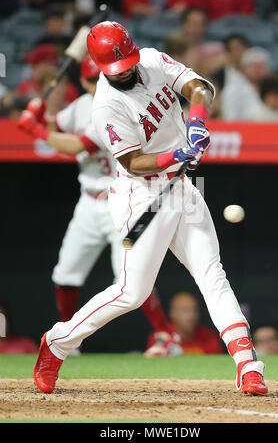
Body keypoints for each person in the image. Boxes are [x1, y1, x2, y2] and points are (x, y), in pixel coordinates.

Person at [18, 20, 268, 396]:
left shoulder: (150, 60)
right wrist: (176, 153)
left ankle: (248, 366)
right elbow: (132, 163)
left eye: (129, 63)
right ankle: (58, 341)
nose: (128, 72)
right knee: (132, 292)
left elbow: (200, 87)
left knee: (212, 273)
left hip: (181, 188)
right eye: (118, 69)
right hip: (141, 196)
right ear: (102, 68)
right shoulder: (105, 105)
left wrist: (196, 122)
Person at [18, 54, 183, 358]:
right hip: (88, 201)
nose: (98, 84)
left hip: (121, 197)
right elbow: (59, 124)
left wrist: (34, 130)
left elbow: (78, 145)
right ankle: (70, 339)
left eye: (101, 78)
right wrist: (39, 112)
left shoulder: (111, 105)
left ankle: (166, 336)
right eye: (91, 80)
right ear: (82, 81)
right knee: (66, 273)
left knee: (131, 278)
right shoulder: (81, 105)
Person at [146, 292, 224, 355]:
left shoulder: (209, 337)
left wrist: (177, 351)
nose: (190, 316)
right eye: (184, 311)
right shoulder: (161, 335)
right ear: (172, 313)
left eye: (194, 310)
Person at [220, 46, 272, 120]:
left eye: (261, 66)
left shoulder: (275, 90)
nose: (257, 70)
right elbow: (230, 119)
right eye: (253, 66)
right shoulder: (232, 90)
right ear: (244, 68)